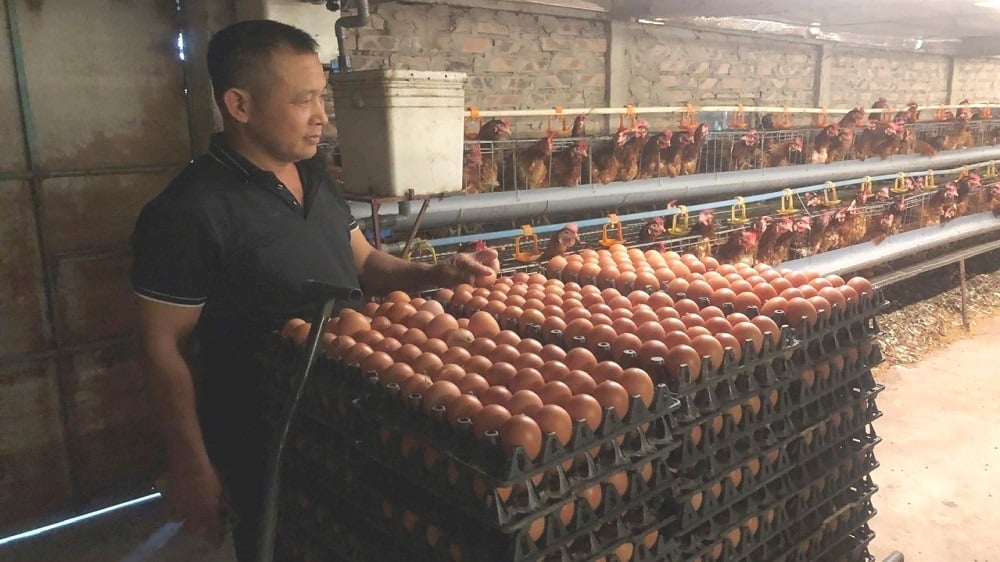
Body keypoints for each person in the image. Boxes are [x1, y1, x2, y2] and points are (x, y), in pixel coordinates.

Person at [131, 20, 497, 562]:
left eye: (321, 97)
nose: (321, 115)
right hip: (266, 436)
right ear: (239, 104)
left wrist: (439, 273)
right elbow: (162, 348)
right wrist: (192, 463)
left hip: (345, 416)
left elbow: (364, 262)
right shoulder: (188, 211)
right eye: (303, 100)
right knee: (284, 544)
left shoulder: (315, 178)